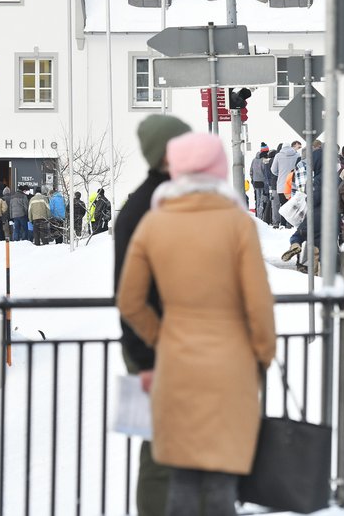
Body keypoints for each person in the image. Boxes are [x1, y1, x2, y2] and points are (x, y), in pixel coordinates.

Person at [117, 132, 276, 516]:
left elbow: (130, 300)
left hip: (176, 362)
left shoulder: (154, 225)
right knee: (221, 476)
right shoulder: (238, 224)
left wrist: (161, 335)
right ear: (219, 170)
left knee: (183, 476)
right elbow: (258, 301)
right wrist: (262, 352)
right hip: (231, 365)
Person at [114, 115, 191, 516]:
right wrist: (150, 354)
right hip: (154, 347)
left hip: (162, 345)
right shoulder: (147, 207)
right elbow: (131, 295)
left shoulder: (162, 199)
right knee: (160, 452)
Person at [270, 141, 301, 228]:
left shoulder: (278, 156)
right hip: (293, 185)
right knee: (293, 206)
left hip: (282, 185)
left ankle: (283, 224)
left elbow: (273, 170)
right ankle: (291, 224)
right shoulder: (297, 155)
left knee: (283, 205)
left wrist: (280, 174)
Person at [250, 143, 270, 220]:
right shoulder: (264, 160)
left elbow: (251, 172)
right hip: (263, 183)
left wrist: (253, 181)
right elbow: (266, 173)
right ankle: (261, 217)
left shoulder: (253, 160)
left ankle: (257, 217)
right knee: (263, 200)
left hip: (255, 183)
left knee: (257, 200)